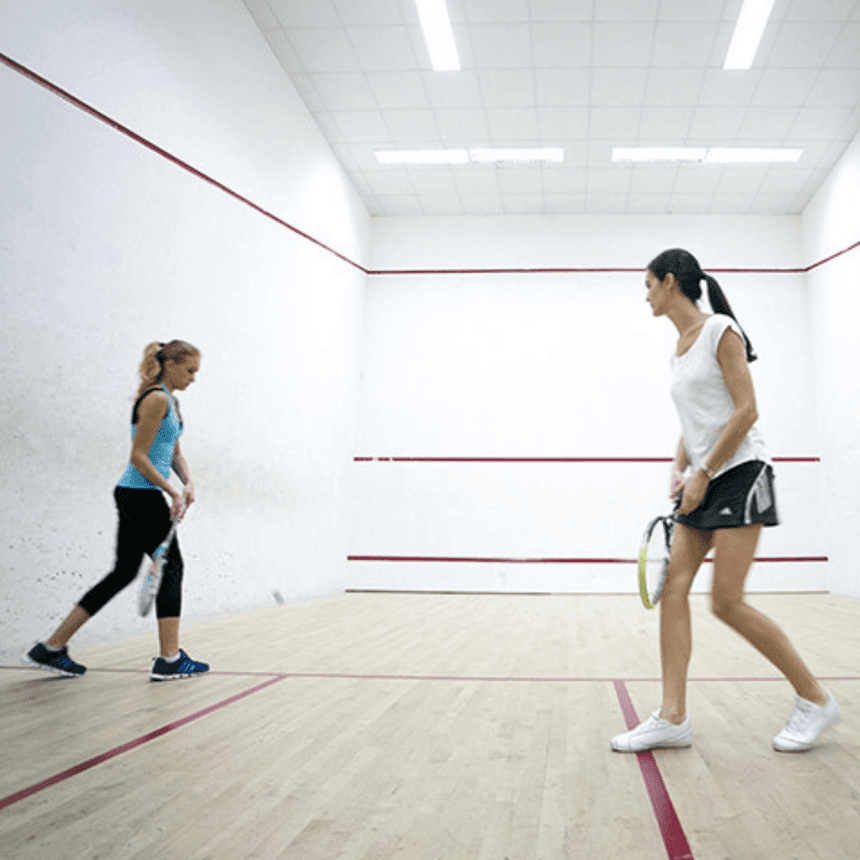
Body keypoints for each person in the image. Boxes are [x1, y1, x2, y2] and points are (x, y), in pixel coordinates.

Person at [611, 249, 839, 754]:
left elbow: (746, 410)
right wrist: (680, 465)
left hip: (740, 473)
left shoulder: (721, 332)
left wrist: (706, 469)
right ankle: (672, 717)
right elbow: (696, 417)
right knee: (675, 586)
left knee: (726, 602)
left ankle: (816, 699)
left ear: (671, 282)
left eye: (648, 285)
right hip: (704, 476)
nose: (646, 296)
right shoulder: (679, 348)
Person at [25, 340, 210, 682]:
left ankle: (52, 648)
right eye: (190, 370)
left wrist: (188, 483)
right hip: (138, 494)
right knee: (172, 567)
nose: (194, 378)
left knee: (124, 572)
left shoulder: (171, 402)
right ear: (170, 365)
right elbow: (138, 457)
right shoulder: (155, 399)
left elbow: (173, 452)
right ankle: (170, 659)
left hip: (138, 494)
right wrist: (170, 490)